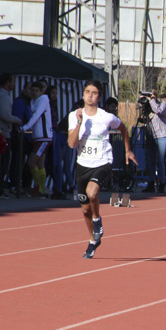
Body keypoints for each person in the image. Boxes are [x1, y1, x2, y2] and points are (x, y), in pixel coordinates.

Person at [68, 79, 137, 259]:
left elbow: (123, 129)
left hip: (103, 162)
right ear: (83, 94)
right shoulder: (74, 115)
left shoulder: (106, 116)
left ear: (99, 96)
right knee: (84, 210)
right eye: (88, 92)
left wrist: (128, 150)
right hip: (83, 164)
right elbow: (71, 143)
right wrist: (79, 123)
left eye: (94, 93)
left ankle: (97, 220)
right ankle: (93, 241)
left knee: (92, 193)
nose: (90, 96)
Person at [21, 81, 52, 197]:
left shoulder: (43, 99)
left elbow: (36, 115)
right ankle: (40, 189)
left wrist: (25, 127)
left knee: (31, 162)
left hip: (44, 137)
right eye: (32, 90)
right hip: (38, 137)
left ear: (41, 91)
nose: (34, 93)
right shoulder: (33, 101)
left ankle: (39, 189)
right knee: (40, 163)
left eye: (36, 91)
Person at [144, 92, 166, 193]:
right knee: (150, 160)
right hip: (151, 135)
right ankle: (151, 182)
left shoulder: (162, 104)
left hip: (161, 135)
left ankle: (162, 183)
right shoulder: (148, 106)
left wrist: (152, 100)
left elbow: (158, 111)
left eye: (152, 96)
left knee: (160, 160)